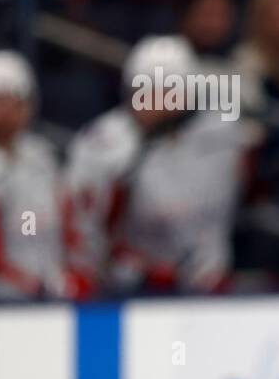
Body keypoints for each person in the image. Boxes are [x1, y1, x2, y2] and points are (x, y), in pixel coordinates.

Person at [64, 35, 249, 294]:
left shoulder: (221, 134)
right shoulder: (103, 144)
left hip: (209, 281)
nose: (154, 102)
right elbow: (85, 228)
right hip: (130, 285)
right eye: (144, 91)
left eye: (167, 90)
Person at [0, 50, 81, 300]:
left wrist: (72, 276)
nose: (4, 114)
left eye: (13, 102)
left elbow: (69, 222)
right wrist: (22, 284)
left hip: (50, 291)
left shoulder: (43, 157)